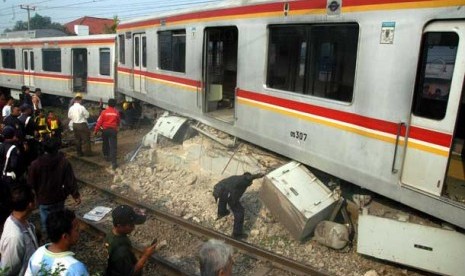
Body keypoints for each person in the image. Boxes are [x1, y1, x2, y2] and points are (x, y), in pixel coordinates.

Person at [27, 137, 81, 236]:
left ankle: (50, 239)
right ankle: (60, 237)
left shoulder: (35, 164)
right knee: (59, 220)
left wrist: (33, 198)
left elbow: (30, 183)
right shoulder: (63, 161)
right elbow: (70, 180)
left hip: (43, 199)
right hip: (59, 197)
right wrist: (75, 194)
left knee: (46, 222)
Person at [25, 209, 89, 276]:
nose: (79, 231)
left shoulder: (37, 253)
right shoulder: (76, 269)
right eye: (76, 229)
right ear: (65, 236)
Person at [105, 205, 157, 276]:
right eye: (131, 225)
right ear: (119, 226)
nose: (133, 227)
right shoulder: (121, 251)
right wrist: (145, 256)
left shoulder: (111, 234)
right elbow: (132, 273)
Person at [0, 185, 39, 276]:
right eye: (35, 197)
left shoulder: (21, 221)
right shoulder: (14, 237)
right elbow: (6, 271)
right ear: (30, 204)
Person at [213, 172, 264, 239]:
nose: (251, 183)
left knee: (223, 199)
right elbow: (248, 178)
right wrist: (257, 175)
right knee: (239, 212)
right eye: (250, 182)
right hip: (228, 193)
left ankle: (222, 213)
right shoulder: (243, 180)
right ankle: (237, 234)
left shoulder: (235, 178)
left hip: (219, 189)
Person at [94, 98, 121, 169]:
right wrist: (117, 127)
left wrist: (96, 130)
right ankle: (114, 163)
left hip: (105, 130)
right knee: (113, 146)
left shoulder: (104, 112)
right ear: (115, 105)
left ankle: (106, 156)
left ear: (108, 104)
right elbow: (118, 121)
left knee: (105, 143)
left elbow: (99, 122)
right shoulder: (116, 112)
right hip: (113, 131)